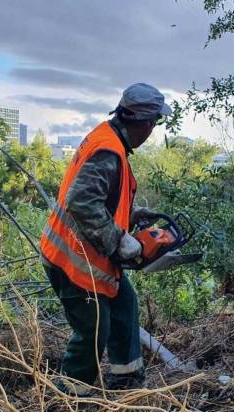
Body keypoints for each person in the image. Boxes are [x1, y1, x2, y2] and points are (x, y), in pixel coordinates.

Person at [41, 83, 171, 395]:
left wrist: (131, 214)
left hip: (85, 253)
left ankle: (127, 380)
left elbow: (100, 198)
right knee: (92, 331)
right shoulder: (108, 151)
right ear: (146, 123)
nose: (153, 129)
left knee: (125, 303)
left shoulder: (107, 137)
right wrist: (121, 241)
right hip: (73, 259)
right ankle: (69, 397)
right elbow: (82, 203)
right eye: (154, 123)